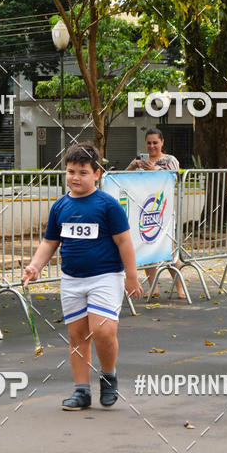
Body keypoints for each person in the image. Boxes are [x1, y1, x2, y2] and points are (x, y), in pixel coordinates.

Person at [22, 142, 143, 411]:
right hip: (72, 280)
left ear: (97, 173)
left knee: (103, 330)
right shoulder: (60, 206)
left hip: (106, 277)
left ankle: (109, 376)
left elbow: (124, 242)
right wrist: (35, 266)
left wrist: (132, 277)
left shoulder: (108, 205)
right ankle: (81, 391)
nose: (75, 177)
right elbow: (49, 242)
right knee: (77, 336)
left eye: (83, 172)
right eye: (71, 171)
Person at [126, 127, 186, 299]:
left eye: (155, 143)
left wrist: (155, 171)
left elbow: (175, 178)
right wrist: (131, 167)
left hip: (164, 213)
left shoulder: (169, 160)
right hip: (144, 212)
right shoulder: (140, 161)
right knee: (147, 249)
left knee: (170, 251)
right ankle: (154, 287)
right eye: (149, 143)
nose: (152, 146)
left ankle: (180, 288)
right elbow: (123, 179)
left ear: (162, 142)